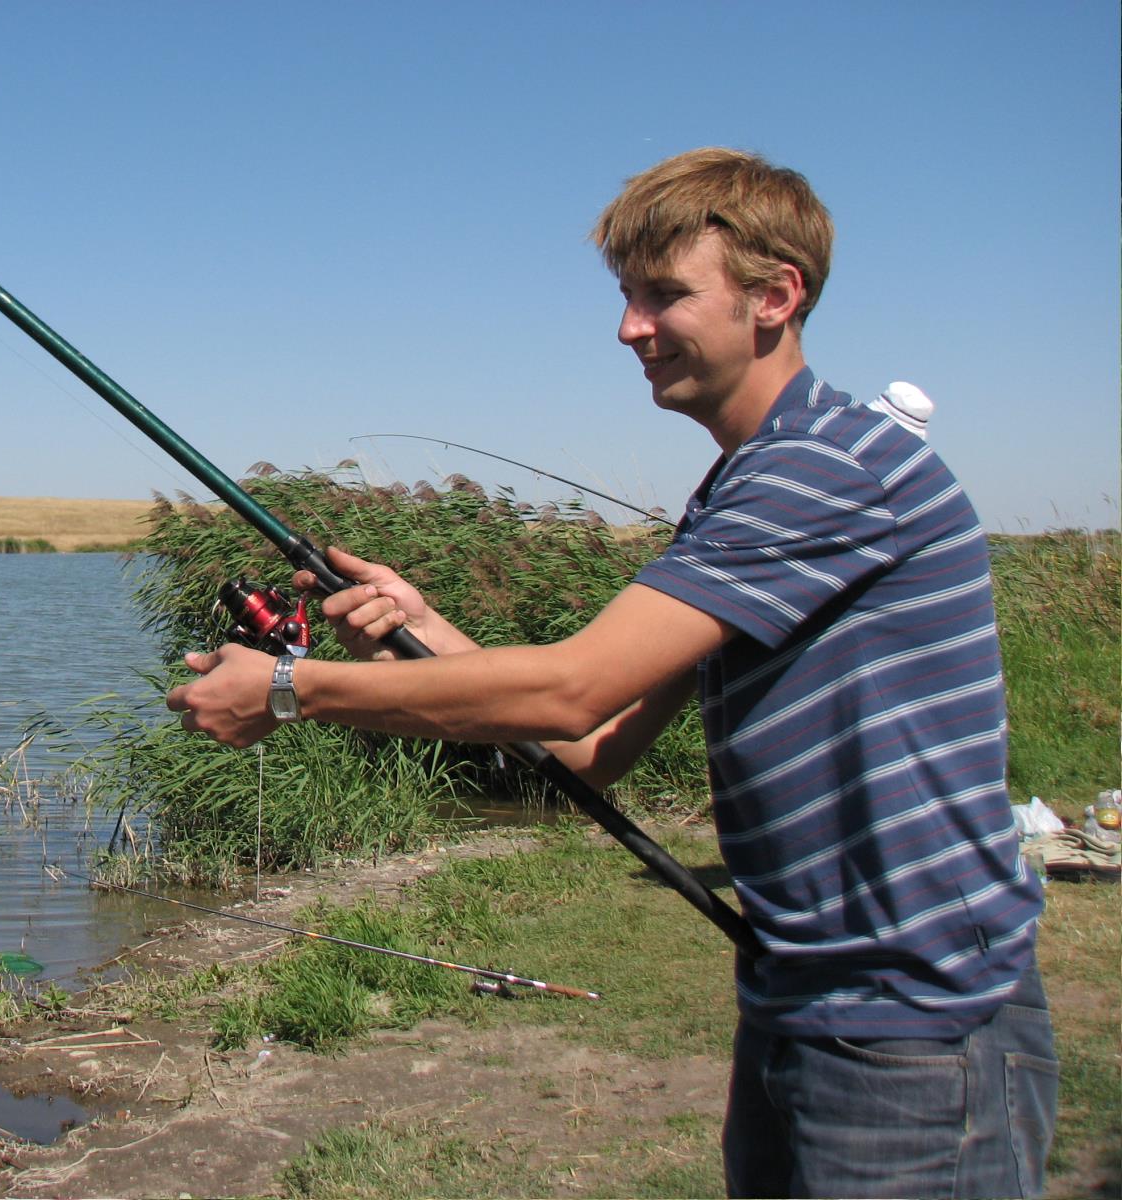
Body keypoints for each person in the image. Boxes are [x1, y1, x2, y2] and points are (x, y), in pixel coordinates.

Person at [166, 147, 1056, 1198]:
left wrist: (288, 690)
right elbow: (589, 743)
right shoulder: (745, 485)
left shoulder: (823, 469)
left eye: (663, 295)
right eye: (628, 296)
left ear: (775, 297)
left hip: (917, 1032)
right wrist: (423, 625)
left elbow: (569, 689)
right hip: (806, 1005)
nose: (630, 328)